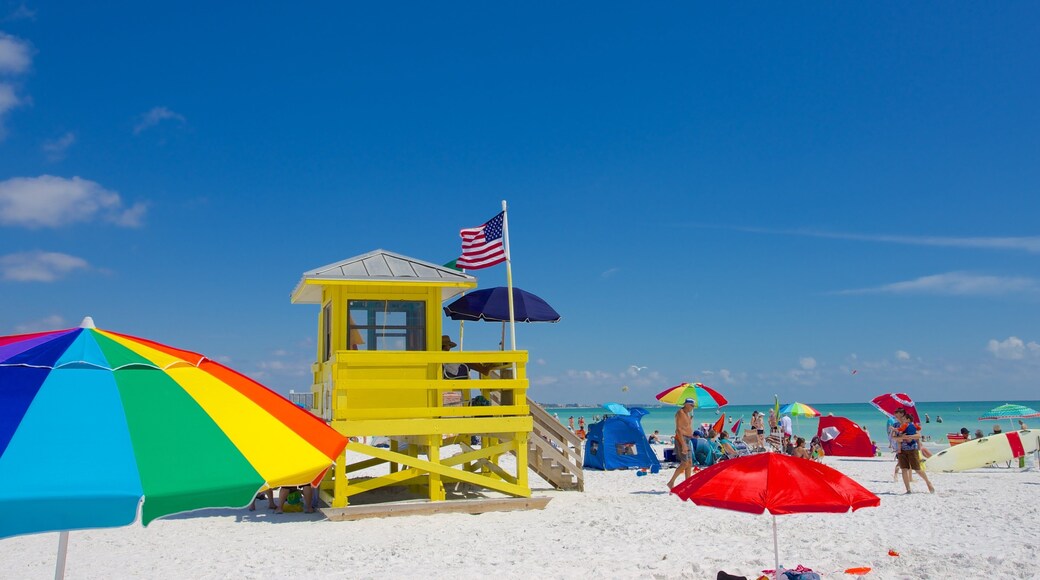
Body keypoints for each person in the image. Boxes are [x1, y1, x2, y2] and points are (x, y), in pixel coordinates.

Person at [893, 408, 935, 494]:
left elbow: (918, 435)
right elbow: (894, 437)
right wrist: (901, 438)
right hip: (901, 450)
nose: (896, 418)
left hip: (912, 449)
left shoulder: (910, 424)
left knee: (917, 469)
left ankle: (928, 482)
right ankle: (908, 489)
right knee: (904, 469)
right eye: (896, 416)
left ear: (902, 414)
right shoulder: (896, 425)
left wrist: (910, 437)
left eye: (897, 416)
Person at [667, 398, 696, 489]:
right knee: (685, 463)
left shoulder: (687, 414)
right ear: (687, 404)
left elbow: (686, 426)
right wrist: (683, 444)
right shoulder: (680, 413)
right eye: (692, 405)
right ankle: (671, 482)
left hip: (687, 439)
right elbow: (678, 429)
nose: (693, 407)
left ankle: (688, 483)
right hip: (681, 439)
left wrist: (690, 420)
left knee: (690, 462)